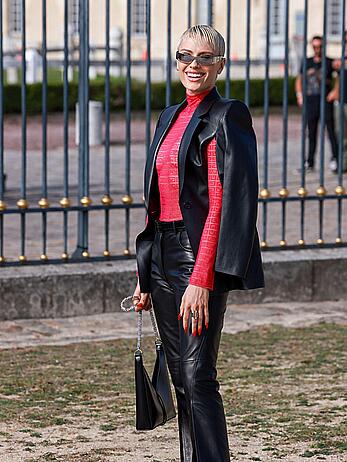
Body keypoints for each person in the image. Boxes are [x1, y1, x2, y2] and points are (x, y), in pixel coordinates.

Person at [133, 25, 264, 462]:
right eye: (186, 55)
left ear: (220, 64)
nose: (194, 64)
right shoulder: (168, 116)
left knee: (197, 374)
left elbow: (224, 202)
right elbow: (159, 200)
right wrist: (144, 274)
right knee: (180, 378)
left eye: (205, 57)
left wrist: (202, 277)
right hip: (162, 255)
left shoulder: (229, 114)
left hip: (196, 257)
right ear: (176, 61)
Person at [295, 35, 339, 172]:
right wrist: (299, 94)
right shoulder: (307, 62)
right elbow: (299, 79)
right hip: (311, 101)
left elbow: (339, 76)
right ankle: (310, 162)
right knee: (311, 132)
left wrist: (335, 91)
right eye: (315, 47)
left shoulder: (329, 61)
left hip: (325, 101)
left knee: (331, 131)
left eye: (319, 47)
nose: (317, 49)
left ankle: (335, 159)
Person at [330, 31, 347, 173]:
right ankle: (343, 164)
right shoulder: (339, 61)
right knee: (340, 134)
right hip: (341, 101)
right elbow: (337, 80)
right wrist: (335, 92)